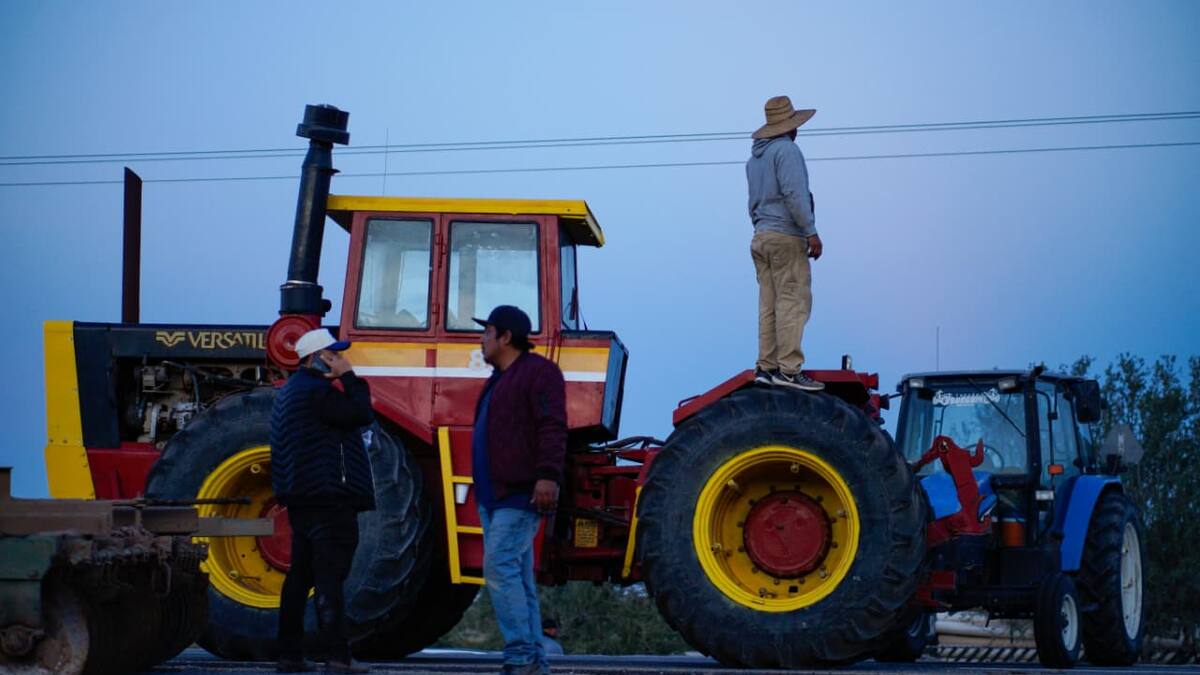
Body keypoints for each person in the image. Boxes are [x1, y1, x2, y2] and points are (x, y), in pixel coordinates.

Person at [270, 328, 374, 674]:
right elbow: (361, 413)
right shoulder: (318, 393)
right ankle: (338, 657)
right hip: (330, 498)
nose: (343, 358)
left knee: (300, 576)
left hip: (302, 497)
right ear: (319, 357)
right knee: (330, 578)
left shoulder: (291, 393)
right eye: (335, 353)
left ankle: (290, 654)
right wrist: (349, 377)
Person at [471, 305, 567, 675]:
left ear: (506, 336)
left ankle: (520, 657)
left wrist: (547, 477)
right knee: (519, 577)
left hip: (520, 494)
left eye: (487, 332)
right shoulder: (498, 379)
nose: (481, 338)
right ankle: (534, 661)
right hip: (493, 497)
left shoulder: (539, 373)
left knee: (499, 567)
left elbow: (552, 426)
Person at [746, 94, 826, 392]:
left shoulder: (754, 159)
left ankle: (766, 368)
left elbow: (752, 203)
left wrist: (760, 227)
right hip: (786, 235)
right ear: (790, 127)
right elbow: (795, 194)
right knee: (793, 301)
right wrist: (811, 232)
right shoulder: (787, 152)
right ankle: (790, 370)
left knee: (769, 303)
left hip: (761, 236)